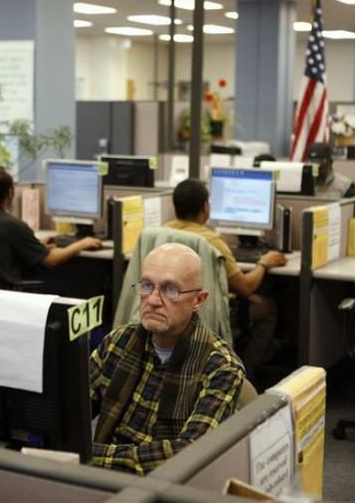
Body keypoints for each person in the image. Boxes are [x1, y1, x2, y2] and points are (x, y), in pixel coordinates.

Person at [90, 243, 244, 475]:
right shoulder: (119, 342)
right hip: (102, 478)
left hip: (168, 487)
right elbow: (73, 408)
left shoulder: (221, 368)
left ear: (198, 300)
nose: (152, 300)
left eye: (170, 290)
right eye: (147, 286)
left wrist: (91, 455)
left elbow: (189, 453)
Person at [165, 179, 286, 378]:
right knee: (268, 307)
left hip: (170, 307)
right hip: (204, 312)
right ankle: (242, 373)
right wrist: (263, 263)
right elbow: (245, 287)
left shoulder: (160, 232)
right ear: (206, 207)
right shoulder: (211, 240)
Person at [0, 166, 102, 284]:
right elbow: (51, 260)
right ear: (10, 192)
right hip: (3, 297)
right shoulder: (12, 225)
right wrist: (82, 243)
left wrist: (34, 246)